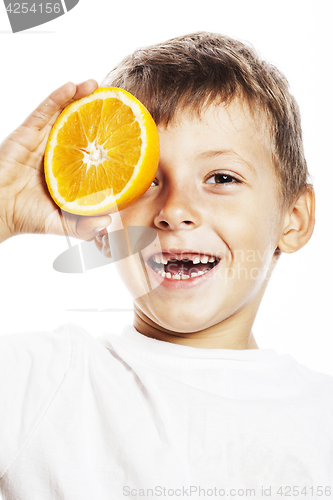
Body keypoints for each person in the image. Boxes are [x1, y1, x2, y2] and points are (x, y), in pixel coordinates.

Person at [0, 32, 332, 499]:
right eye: (147, 180)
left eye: (221, 178)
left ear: (293, 220)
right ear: (102, 220)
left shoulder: (323, 418)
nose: (174, 209)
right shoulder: (40, 383)